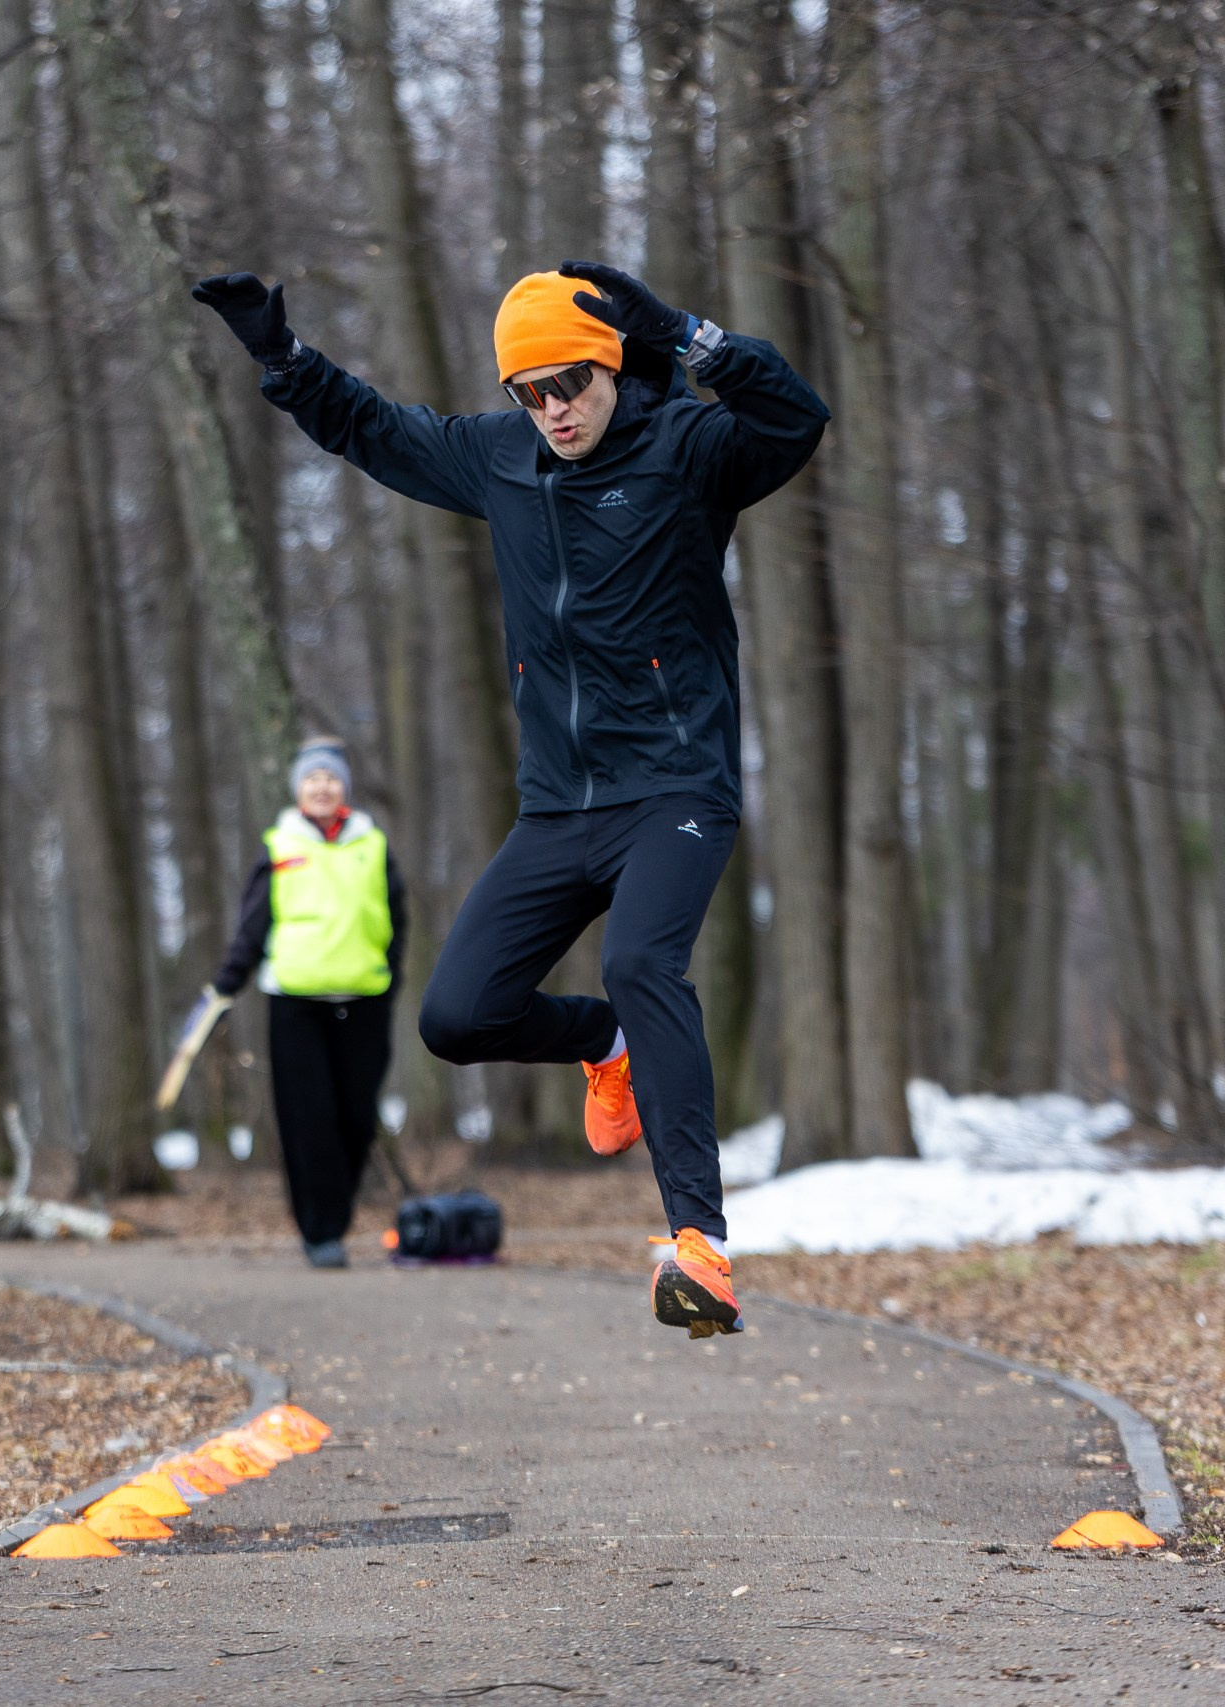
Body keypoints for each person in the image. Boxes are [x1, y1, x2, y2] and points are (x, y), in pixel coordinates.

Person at [193, 260, 828, 1334]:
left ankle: (702, 1248)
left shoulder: (686, 448)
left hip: (675, 786)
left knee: (641, 962)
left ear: (611, 367)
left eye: (570, 384)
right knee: (457, 1015)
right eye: (528, 393)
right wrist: (281, 358)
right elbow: (374, 429)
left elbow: (795, 419)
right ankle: (605, 1045)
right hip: (558, 807)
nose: (553, 411)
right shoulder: (503, 460)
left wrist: (690, 336)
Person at [207, 738, 407, 1268]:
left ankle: (334, 1217)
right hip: (295, 1002)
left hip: (365, 999)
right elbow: (254, 923)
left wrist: (391, 977)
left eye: (332, 778)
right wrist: (227, 982)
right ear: (299, 789)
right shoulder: (280, 844)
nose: (323, 786)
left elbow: (396, 917)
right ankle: (321, 1232)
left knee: (357, 1118)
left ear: (345, 788)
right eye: (313, 778)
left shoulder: (372, 843)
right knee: (308, 1120)